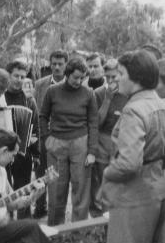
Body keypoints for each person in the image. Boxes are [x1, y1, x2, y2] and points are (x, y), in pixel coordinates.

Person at [101, 50, 165, 243]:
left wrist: (107, 172)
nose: (116, 78)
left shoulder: (133, 110)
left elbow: (128, 163)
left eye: (120, 73)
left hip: (133, 197)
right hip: (157, 191)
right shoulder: (160, 104)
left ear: (136, 78)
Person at [40, 57, 98, 226]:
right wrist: (46, 139)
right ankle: (55, 230)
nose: (79, 81)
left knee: (80, 189)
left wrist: (92, 151)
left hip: (80, 143)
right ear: (67, 74)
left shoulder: (89, 93)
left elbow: (93, 123)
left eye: (82, 78)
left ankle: (78, 231)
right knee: (56, 187)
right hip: (56, 143)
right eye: (75, 78)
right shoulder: (52, 91)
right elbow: (43, 116)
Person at [89, 59, 128, 217]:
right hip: (103, 142)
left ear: (121, 74)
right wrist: (107, 99)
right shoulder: (99, 93)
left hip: (122, 142)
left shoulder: (128, 91)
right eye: (107, 77)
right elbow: (97, 123)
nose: (110, 81)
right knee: (103, 183)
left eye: (114, 77)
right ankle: (102, 218)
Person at [34, 49, 68, 219]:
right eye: (53, 64)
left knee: (59, 175)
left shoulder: (73, 83)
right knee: (40, 173)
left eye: (60, 64)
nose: (56, 67)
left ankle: (57, 210)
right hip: (43, 136)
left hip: (63, 138)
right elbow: (36, 110)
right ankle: (40, 207)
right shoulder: (40, 84)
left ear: (66, 65)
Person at [5, 60, 39, 219]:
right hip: (2, 153)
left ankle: (23, 226)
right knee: (4, 193)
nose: (19, 79)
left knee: (23, 190)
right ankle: (7, 226)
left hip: (23, 154)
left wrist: (36, 152)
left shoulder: (29, 100)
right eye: (16, 76)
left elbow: (36, 127)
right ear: (8, 75)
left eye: (22, 76)